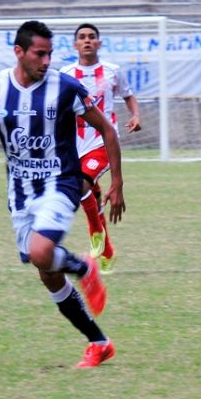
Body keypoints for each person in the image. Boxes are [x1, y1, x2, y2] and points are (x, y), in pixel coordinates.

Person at [0, 20, 124, 368]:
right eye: (39, 54)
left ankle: (84, 267)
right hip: (20, 193)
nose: (46, 61)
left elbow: (107, 129)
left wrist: (117, 183)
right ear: (19, 52)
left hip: (61, 182)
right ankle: (99, 343)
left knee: (41, 251)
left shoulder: (66, 88)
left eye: (49, 54)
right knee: (47, 273)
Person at [60, 23, 141, 275]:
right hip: (74, 144)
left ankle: (95, 230)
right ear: (75, 45)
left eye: (91, 37)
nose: (87, 40)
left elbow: (128, 95)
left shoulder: (113, 71)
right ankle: (106, 251)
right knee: (90, 195)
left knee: (81, 185)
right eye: (82, 37)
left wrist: (135, 115)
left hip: (103, 142)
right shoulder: (64, 74)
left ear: (99, 43)